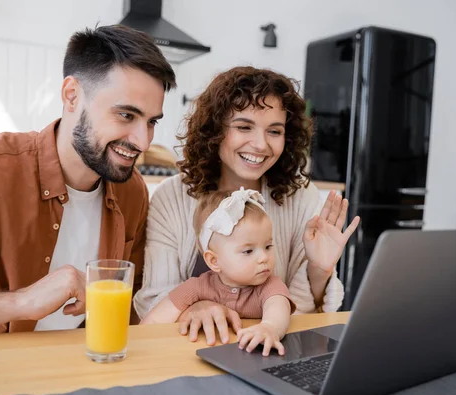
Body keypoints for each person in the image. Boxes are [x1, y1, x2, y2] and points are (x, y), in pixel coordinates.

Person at [0, 25, 176, 337]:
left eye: (151, 122)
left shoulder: (131, 192)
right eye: (126, 116)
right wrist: (21, 302)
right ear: (72, 95)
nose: (143, 142)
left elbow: (132, 309)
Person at [134, 66, 359, 346]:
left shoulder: (300, 197)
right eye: (243, 127)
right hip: (186, 348)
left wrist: (319, 269)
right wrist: (192, 308)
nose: (261, 144)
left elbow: (301, 313)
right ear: (215, 130)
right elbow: (154, 299)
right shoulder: (171, 197)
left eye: (274, 131)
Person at [142, 189, 296, 356]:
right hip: (202, 357)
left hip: (253, 357)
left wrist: (269, 328)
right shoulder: (197, 287)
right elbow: (154, 321)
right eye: (248, 251)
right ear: (214, 261)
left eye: (268, 246)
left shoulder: (270, 285)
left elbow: (278, 312)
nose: (264, 257)